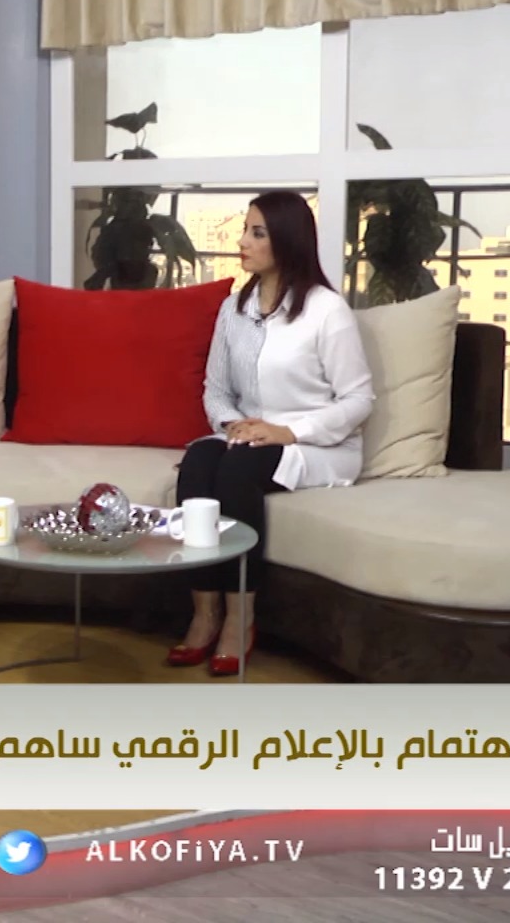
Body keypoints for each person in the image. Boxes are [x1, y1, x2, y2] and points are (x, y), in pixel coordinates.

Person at [168, 191, 375, 676]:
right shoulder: (233, 309)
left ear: (286, 240)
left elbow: (358, 401)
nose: (242, 241)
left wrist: (287, 431)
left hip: (316, 444)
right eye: (245, 230)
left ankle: (240, 619)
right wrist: (230, 425)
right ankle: (204, 613)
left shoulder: (326, 310)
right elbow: (216, 390)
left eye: (256, 233)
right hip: (246, 436)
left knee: (236, 470)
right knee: (198, 464)